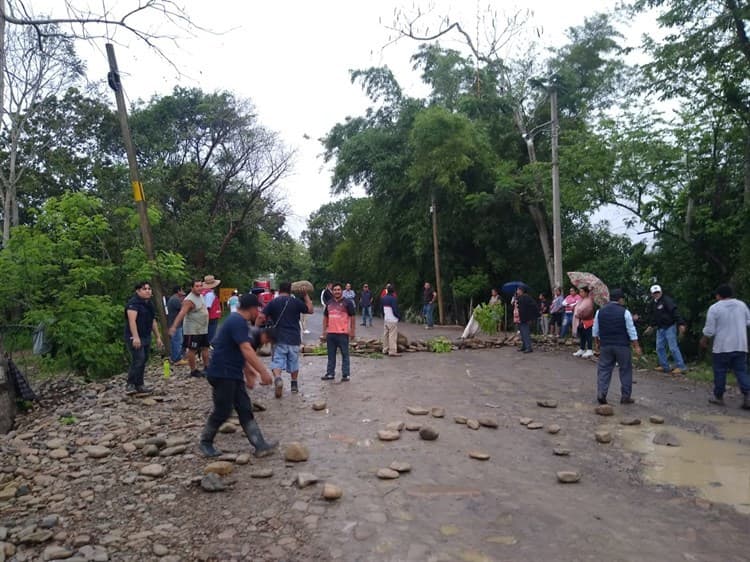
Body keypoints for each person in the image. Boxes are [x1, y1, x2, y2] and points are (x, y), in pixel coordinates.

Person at [198, 293, 279, 458]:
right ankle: (205, 442)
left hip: (232, 373)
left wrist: (249, 372)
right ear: (251, 308)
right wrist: (263, 372)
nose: (259, 312)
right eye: (258, 308)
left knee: (244, 408)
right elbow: (246, 349)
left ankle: (260, 445)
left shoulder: (239, 322)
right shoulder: (236, 321)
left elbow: (237, 351)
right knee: (223, 410)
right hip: (222, 373)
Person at [256, 281, 313, 397]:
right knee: (294, 362)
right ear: (290, 290)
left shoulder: (273, 302)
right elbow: (310, 310)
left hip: (278, 338)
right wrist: (305, 295)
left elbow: (261, 316)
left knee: (277, 361)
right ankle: (294, 385)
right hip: (294, 338)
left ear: (279, 290)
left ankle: (278, 379)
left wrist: (255, 329)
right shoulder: (296, 302)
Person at [700, 284, 750, 409]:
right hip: (740, 345)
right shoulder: (742, 305)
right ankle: (748, 395)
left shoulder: (715, 308)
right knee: (741, 371)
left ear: (718, 295)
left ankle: (719, 397)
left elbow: (710, 330)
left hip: (722, 346)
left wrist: (704, 339)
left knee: (720, 371)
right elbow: (748, 322)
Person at [593, 288, 641, 405]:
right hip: (622, 346)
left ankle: (601, 393)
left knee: (604, 369)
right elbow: (631, 330)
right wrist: (636, 346)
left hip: (606, 345)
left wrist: (597, 344)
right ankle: (625, 397)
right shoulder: (625, 312)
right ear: (620, 299)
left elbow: (595, 330)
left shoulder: (600, 311)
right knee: (625, 370)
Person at [124, 281, 163, 394]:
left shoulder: (149, 304)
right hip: (135, 336)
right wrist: (135, 337)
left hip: (146, 335)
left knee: (144, 359)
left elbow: (153, 321)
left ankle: (139, 384)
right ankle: (130, 384)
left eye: (149, 289)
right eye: (144, 289)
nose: (147, 291)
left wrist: (158, 337)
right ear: (138, 291)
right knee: (138, 359)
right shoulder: (133, 304)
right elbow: (132, 321)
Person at [169, 279, 210, 378]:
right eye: (197, 286)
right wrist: (174, 326)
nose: (199, 288)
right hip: (193, 329)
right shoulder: (189, 300)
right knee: (192, 349)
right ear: (192, 288)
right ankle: (193, 370)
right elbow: (182, 313)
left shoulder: (200, 296)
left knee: (205, 347)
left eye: (201, 286)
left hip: (202, 328)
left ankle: (207, 367)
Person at [645, 285, 687, 375]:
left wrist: (681, 324)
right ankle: (664, 366)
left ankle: (681, 366)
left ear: (661, 292)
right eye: (654, 293)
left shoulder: (667, 300)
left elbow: (675, 311)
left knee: (673, 348)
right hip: (660, 328)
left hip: (670, 326)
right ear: (651, 294)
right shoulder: (653, 303)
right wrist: (651, 326)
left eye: (658, 292)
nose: (656, 294)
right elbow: (653, 316)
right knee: (659, 347)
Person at [322, 282, 357, 379]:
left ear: (342, 291)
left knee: (345, 354)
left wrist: (352, 331)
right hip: (331, 333)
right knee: (331, 355)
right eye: (335, 290)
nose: (337, 291)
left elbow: (353, 317)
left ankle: (346, 374)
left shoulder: (347, 303)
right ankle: (330, 373)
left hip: (343, 333)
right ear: (332, 291)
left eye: (338, 290)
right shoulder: (329, 303)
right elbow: (325, 317)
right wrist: (324, 331)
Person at [166, 285, 187, 366]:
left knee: (177, 341)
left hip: (175, 323)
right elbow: (183, 309)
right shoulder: (175, 300)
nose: (183, 292)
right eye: (182, 290)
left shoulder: (174, 299)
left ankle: (176, 357)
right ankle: (177, 359)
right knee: (177, 342)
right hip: (175, 324)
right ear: (178, 291)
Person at [516, 286, 538, 353]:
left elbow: (533, 306)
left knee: (525, 332)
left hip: (525, 318)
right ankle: (524, 346)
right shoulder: (519, 297)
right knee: (522, 333)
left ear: (521, 291)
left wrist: (530, 316)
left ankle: (529, 347)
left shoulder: (526, 297)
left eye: (518, 290)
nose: (517, 291)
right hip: (520, 317)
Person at [380, 285, 401, 357]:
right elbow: (395, 309)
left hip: (386, 319)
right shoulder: (393, 299)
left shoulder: (383, 298)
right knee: (392, 335)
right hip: (392, 319)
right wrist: (398, 316)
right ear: (393, 291)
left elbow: (381, 309)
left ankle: (385, 349)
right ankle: (392, 351)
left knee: (385, 335)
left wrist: (384, 316)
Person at [201, 274, 222, 343]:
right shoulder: (210, 294)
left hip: (209, 317)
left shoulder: (204, 292)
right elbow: (207, 307)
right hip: (211, 317)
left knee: (207, 335)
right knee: (210, 336)